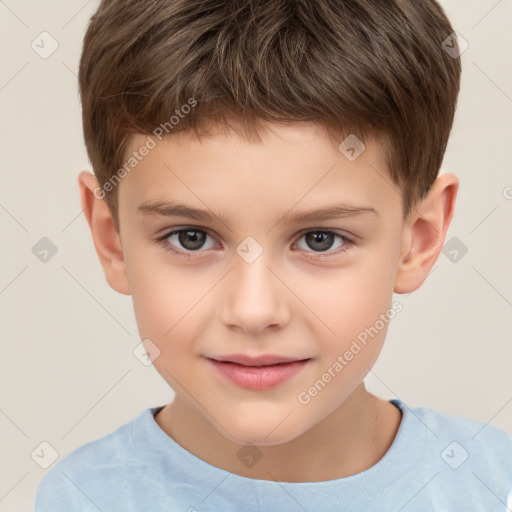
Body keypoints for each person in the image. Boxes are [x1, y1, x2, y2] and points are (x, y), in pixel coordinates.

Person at [34, 0, 512, 510]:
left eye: (320, 239)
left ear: (417, 238)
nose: (254, 310)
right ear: (113, 239)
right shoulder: (80, 497)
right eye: (191, 237)